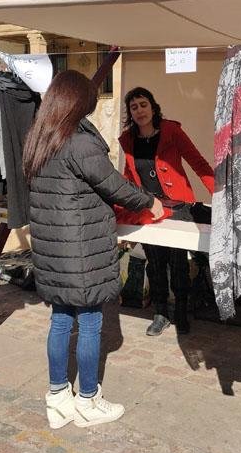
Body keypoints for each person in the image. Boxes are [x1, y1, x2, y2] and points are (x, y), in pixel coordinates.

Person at [22, 70, 164, 430]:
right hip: (82, 249)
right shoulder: (80, 142)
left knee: (59, 320)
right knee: (89, 323)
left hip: (52, 250)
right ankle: (88, 400)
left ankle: (57, 398)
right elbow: (115, 187)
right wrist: (152, 202)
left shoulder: (40, 139)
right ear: (77, 102)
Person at [118, 87, 214, 336]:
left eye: (143, 104)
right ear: (130, 112)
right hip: (148, 209)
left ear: (153, 106)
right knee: (155, 262)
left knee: (178, 263)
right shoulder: (128, 140)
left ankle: (180, 311)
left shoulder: (171, 131)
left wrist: (220, 195)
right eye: (134, 107)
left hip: (179, 207)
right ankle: (161, 313)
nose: (139, 110)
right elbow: (129, 176)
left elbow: (198, 163)